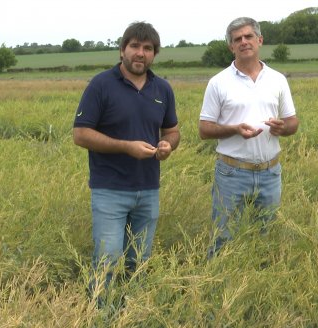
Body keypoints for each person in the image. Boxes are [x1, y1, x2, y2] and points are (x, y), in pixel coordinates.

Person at [73, 21, 180, 292]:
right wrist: (125, 146)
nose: (140, 53)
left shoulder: (162, 89)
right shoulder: (101, 85)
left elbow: (173, 131)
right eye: (134, 46)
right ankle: (100, 316)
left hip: (148, 190)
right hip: (110, 190)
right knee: (106, 261)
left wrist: (168, 145)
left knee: (139, 262)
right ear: (122, 50)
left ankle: (133, 313)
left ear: (154, 54)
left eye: (147, 48)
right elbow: (81, 134)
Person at [199, 17, 299, 258]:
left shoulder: (277, 79)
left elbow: (293, 122)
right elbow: (204, 129)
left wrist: (281, 128)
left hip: (270, 172)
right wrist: (234, 129)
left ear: (260, 40)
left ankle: (261, 286)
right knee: (224, 237)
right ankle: (220, 287)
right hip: (232, 172)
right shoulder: (218, 83)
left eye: (248, 36)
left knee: (266, 236)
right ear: (231, 47)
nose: (243, 42)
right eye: (237, 39)